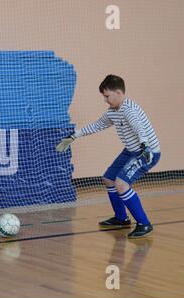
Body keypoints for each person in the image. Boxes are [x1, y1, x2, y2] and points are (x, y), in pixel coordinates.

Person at [56, 74, 161, 239]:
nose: (105, 100)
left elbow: (139, 128)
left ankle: (144, 224)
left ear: (119, 93)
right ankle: (121, 218)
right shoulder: (113, 111)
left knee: (122, 184)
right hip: (131, 150)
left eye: (107, 96)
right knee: (109, 179)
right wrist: (74, 136)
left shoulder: (129, 110)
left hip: (146, 152)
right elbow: (98, 125)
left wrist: (145, 146)